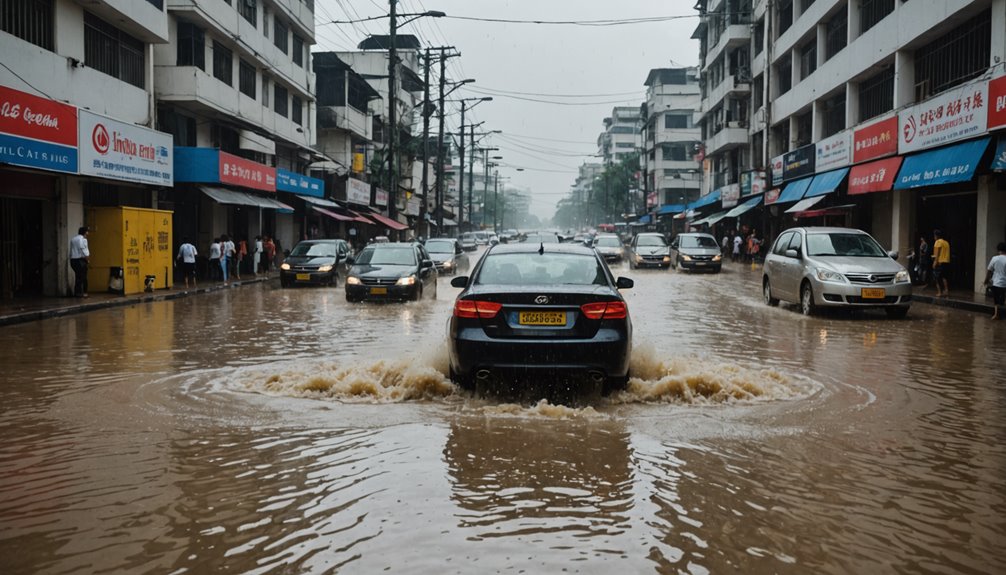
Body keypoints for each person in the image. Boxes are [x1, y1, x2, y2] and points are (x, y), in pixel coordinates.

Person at [982, 242, 1006, 320]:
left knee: (996, 300)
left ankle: (996, 315)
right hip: (1005, 283)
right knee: (1002, 299)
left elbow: (989, 271)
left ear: (998, 250)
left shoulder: (995, 258)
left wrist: (986, 281)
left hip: (996, 283)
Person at [69, 226, 90, 297]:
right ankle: (85, 293)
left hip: (73, 260)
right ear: (85, 232)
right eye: (87, 231)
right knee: (84, 277)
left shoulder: (73, 239)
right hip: (81, 260)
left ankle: (77, 293)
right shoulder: (83, 240)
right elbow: (83, 250)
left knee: (78, 277)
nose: (88, 233)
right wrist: (87, 259)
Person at [932, 229, 950, 297]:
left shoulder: (937, 242)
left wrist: (934, 262)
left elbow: (937, 254)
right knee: (944, 277)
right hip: (946, 262)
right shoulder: (946, 243)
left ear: (936, 236)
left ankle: (939, 292)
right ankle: (946, 290)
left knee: (937, 278)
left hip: (940, 262)